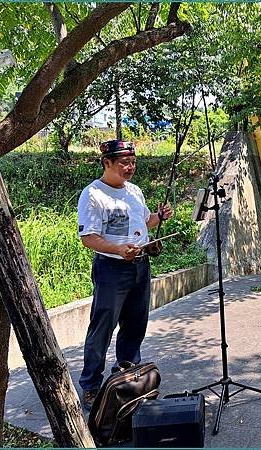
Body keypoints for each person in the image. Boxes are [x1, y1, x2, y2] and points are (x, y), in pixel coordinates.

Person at [77, 140, 173, 410]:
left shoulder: (134, 191)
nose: (130, 168)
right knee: (102, 327)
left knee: (135, 325)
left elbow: (146, 222)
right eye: (124, 163)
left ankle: (127, 376)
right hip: (111, 270)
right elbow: (89, 238)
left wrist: (159, 216)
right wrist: (118, 249)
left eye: (133, 163)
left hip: (141, 266)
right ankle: (91, 385)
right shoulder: (94, 194)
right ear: (107, 163)